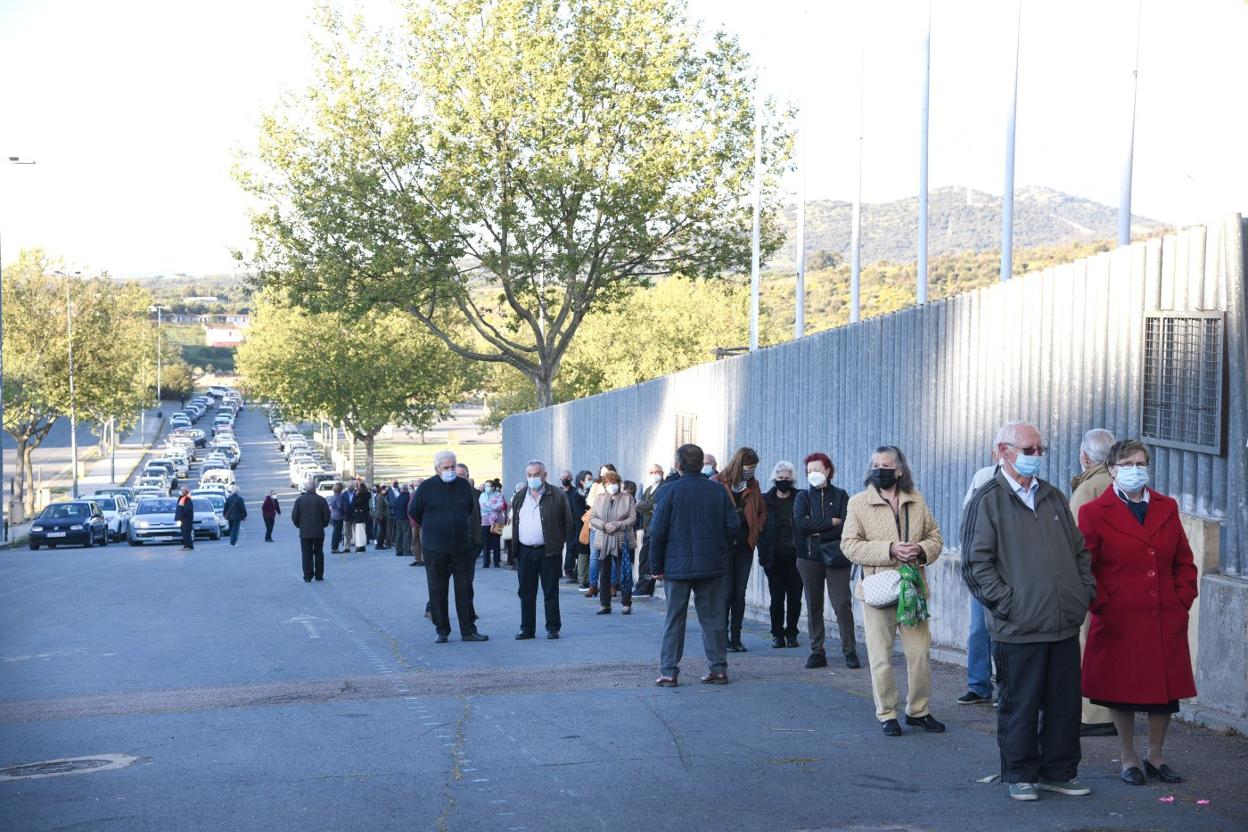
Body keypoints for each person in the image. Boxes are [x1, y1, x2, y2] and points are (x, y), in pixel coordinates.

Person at [962, 421, 1096, 801]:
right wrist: (1009, 605)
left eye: (1040, 450)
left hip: (1062, 624)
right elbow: (975, 565)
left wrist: (1080, 595)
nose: (1037, 456)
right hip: (1017, 627)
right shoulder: (987, 500)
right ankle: (1020, 772)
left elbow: (1079, 552)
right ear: (1003, 451)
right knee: (1019, 704)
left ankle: (1058, 771)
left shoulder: (1052, 496)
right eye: (1029, 450)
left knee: (1064, 705)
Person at [1077, 439, 1198, 786]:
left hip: (1163, 614)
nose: (1135, 470)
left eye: (1141, 464)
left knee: (1164, 694)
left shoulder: (1166, 506)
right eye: (1128, 464)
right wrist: (1101, 602)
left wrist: (1181, 599)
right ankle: (1129, 756)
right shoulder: (1094, 512)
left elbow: (1183, 561)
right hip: (1119, 616)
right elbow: (1085, 566)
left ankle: (1156, 756)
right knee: (1121, 690)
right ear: (1112, 469)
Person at [842, 445, 945, 738]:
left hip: (912, 588)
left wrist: (921, 550)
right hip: (878, 590)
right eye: (875, 465)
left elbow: (935, 537)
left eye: (885, 465)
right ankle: (887, 713)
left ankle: (918, 711)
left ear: (899, 470)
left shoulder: (916, 500)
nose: (879, 470)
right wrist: (890, 550)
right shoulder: (858, 503)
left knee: (920, 653)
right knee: (880, 656)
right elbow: (849, 545)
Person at [650, 444, 741, 686]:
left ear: (677, 465)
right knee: (713, 618)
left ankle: (668, 671)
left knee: (674, 618)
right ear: (702, 465)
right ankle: (718, 668)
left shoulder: (667, 491)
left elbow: (657, 532)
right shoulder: (719, 491)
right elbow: (734, 526)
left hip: (676, 567)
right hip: (712, 564)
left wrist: (655, 566)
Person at [1069, 427, 1118, 736]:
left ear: (1085, 457)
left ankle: (1094, 714)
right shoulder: (1116, 483)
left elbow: (1074, 541)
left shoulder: (1088, 489)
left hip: (1091, 580)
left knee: (1087, 645)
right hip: (1117, 579)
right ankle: (1111, 711)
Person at [409, 451, 486, 643]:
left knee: (465, 589)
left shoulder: (463, 486)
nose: (450, 470)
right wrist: (434, 526)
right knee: (437, 590)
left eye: (453, 466)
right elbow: (414, 512)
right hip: (435, 548)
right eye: (446, 467)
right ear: (437, 469)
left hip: (462, 547)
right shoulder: (426, 487)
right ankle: (442, 630)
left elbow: (469, 509)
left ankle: (468, 630)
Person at [793, 452, 858, 670]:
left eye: (817, 470)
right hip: (808, 557)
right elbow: (801, 525)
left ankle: (850, 650)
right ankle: (816, 651)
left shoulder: (841, 495)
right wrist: (830, 522)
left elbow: (846, 526)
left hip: (837, 556)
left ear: (828, 471)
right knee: (813, 604)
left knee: (841, 603)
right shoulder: (802, 497)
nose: (813, 474)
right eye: (809, 471)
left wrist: (819, 530)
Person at [957, 434, 1004, 706]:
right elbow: (968, 518)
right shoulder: (983, 476)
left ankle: (1005, 687)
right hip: (980, 566)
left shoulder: (1031, 484)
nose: (1001, 455)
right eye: (998, 450)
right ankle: (978, 685)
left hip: (1009, 568)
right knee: (978, 629)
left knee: (1003, 630)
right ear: (993, 453)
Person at [511, 460, 572, 639]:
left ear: (544, 475)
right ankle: (527, 629)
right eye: (529, 475)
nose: (532, 478)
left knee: (550, 591)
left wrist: (560, 545)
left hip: (549, 551)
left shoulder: (558, 495)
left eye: (536, 475)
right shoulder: (520, 496)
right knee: (526, 591)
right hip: (525, 550)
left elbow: (567, 524)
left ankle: (553, 628)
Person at [714, 447, 767, 652]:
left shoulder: (753, 485)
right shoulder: (718, 483)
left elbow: (763, 511)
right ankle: (722, 636)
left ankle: (736, 637)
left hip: (745, 544)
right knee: (725, 592)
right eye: (749, 467)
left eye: (754, 467)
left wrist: (757, 527)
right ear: (738, 464)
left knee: (739, 592)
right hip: (724, 545)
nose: (751, 471)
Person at [757, 461, 803, 649]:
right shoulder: (765, 499)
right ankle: (777, 634)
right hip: (773, 556)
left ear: (792, 480)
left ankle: (791, 633)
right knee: (776, 598)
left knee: (795, 597)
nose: (783, 481)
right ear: (774, 478)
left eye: (787, 478)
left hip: (797, 556)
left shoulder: (801, 497)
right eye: (780, 478)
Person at [590, 471, 638, 615]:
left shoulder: (628, 498)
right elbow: (592, 517)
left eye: (614, 483)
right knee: (604, 572)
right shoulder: (598, 499)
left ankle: (626, 603)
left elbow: (632, 519)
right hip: (603, 538)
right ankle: (605, 604)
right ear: (604, 485)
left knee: (624, 571)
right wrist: (604, 525)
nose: (612, 486)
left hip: (621, 538)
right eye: (609, 483)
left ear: (619, 483)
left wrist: (617, 524)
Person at [634, 463, 665, 597]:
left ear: (662, 473)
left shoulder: (664, 487)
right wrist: (647, 506)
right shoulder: (648, 489)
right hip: (647, 529)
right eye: (652, 472)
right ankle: (642, 584)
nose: (655, 474)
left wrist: (642, 505)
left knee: (649, 559)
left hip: (656, 528)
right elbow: (647, 506)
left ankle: (646, 587)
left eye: (657, 471)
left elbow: (653, 505)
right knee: (643, 558)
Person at [291, 478, 331, 582]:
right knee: (319, 553)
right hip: (318, 531)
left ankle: (308, 575)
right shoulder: (321, 500)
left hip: (304, 532)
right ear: (314, 488)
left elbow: (294, 516)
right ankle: (319, 575)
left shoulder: (299, 500)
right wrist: (323, 525)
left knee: (306, 554)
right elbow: (327, 516)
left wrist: (299, 526)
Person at [572, 470, 594, 588]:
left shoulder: (593, 494)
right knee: (583, 554)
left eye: (591, 479)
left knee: (591, 554)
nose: (591, 481)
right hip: (582, 528)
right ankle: (582, 580)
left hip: (593, 527)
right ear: (581, 481)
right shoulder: (577, 495)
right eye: (588, 479)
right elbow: (581, 513)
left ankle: (590, 579)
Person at [559, 470, 582, 582]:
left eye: (567, 477)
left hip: (571, 524)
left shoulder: (575, 492)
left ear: (571, 479)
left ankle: (569, 570)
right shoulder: (557, 492)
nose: (565, 479)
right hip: (558, 525)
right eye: (563, 477)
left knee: (570, 547)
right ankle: (557, 570)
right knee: (557, 548)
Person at [479, 479, 507, 568]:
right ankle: (486, 562)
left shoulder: (499, 495)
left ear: (493, 487)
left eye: (489, 486)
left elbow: (501, 506)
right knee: (485, 542)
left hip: (497, 521)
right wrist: (492, 507)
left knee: (496, 542)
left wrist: (490, 507)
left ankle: (496, 561)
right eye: (486, 486)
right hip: (485, 521)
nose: (486, 487)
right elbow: (482, 506)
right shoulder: (482, 495)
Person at [394, 483, 412, 557]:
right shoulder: (408, 497)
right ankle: (407, 551)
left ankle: (398, 550)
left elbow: (394, 508)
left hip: (398, 518)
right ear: (407, 489)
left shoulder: (398, 498)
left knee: (399, 534)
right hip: (406, 518)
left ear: (401, 489)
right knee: (407, 534)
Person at [175, 485, 195, 551]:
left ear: (185, 491)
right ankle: (185, 545)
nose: (180, 491)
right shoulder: (182, 498)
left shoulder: (187, 498)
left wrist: (181, 516)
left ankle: (189, 546)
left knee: (187, 533)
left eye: (182, 490)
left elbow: (188, 509)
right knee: (183, 533)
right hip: (182, 519)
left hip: (186, 519)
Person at [329, 483, 346, 554]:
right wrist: (344, 511)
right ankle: (335, 548)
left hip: (333, 515)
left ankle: (334, 547)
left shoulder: (333, 496)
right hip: (338, 516)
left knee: (335, 532)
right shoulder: (339, 497)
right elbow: (339, 507)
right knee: (337, 532)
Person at [372, 484, 391, 550]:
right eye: (385, 490)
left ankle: (380, 544)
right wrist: (380, 516)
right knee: (382, 531)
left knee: (383, 531)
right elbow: (379, 507)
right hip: (381, 516)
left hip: (383, 515)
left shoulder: (382, 496)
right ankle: (379, 544)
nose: (386, 491)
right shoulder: (380, 497)